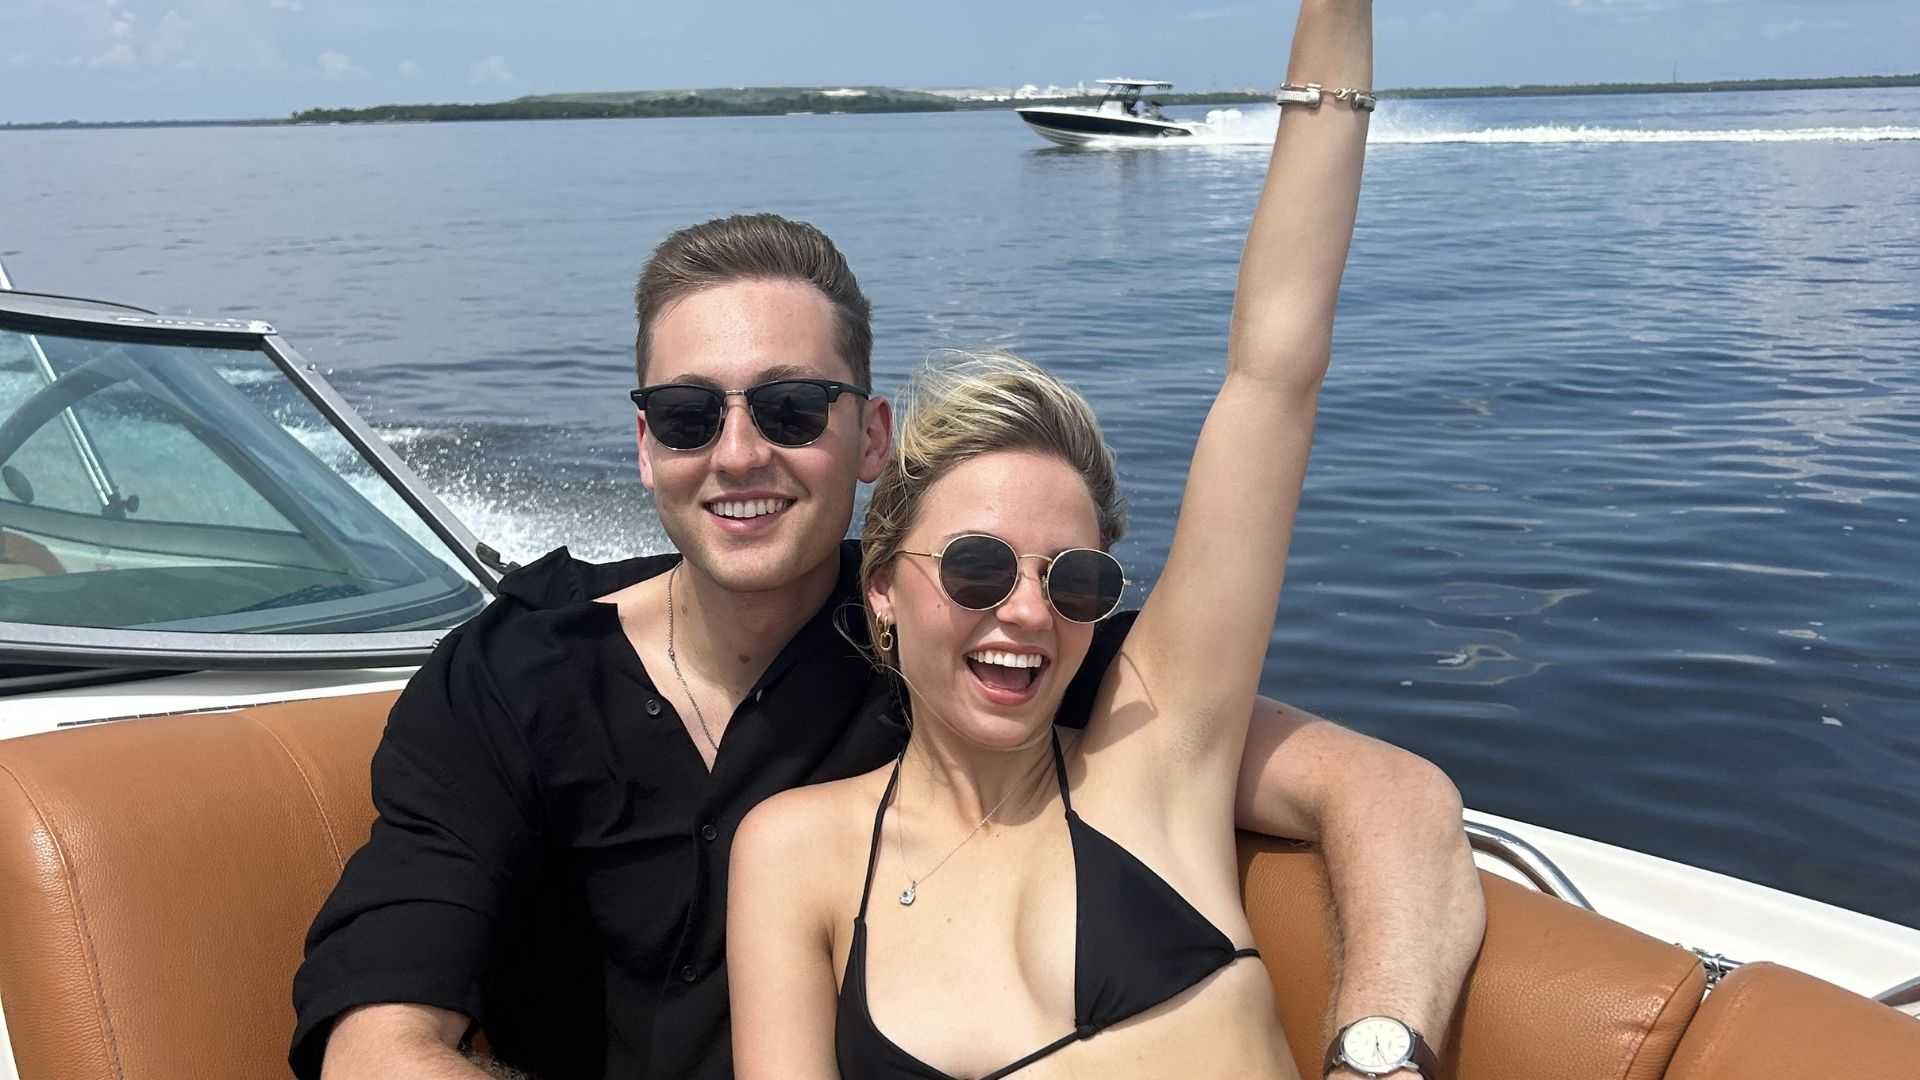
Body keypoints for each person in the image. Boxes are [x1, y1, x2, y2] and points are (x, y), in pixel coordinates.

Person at [296, 133, 1479, 1080]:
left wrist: (1380, 1050)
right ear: (645, 440)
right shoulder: (505, 677)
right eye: (692, 414)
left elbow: (1381, 789)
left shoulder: (974, 638)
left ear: (870, 440)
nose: (740, 454)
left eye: (794, 409)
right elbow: (377, 1051)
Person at [726, 3, 1392, 1078]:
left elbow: (1273, 374)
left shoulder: (1161, 758)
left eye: (1074, 581)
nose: (1028, 611)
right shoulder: (796, 856)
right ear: (883, 584)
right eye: (979, 568)